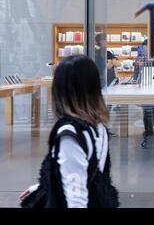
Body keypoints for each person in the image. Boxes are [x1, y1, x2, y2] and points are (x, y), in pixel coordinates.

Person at [19, 55, 119, 207]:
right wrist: (43, 187)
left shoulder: (70, 135)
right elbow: (84, 175)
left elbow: (76, 198)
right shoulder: (98, 127)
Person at [133, 39, 154, 141]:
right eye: (145, 47)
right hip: (144, 85)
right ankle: (148, 129)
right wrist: (135, 79)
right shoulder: (139, 58)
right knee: (146, 109)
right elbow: (136, 71)